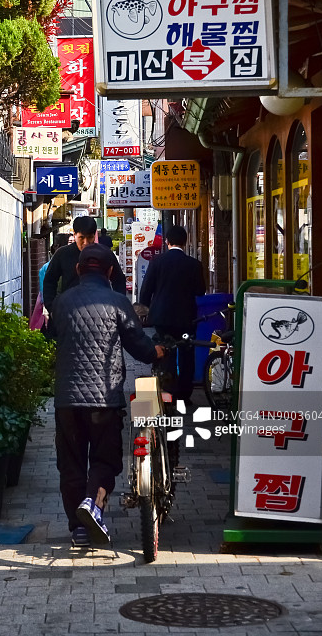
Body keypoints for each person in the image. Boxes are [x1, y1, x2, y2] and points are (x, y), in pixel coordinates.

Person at [51, 243, 164, 547]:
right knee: (105, 460)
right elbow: (138, 345)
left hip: (66, 400)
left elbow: (52, 335)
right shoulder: (117, 302)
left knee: (71, 463)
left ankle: (78, 528)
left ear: (77, 269)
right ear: (111, 272)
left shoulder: (62, 302)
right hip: (104, 397)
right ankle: (92, 503)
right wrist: (156, 351)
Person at [139, 225, 206, 405]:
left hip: (161, 317)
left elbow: (146, 291)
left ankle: (169, 392)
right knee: (186, 353)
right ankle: (184, 395)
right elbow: (200, 291)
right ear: (185, 242)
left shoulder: (157, 262)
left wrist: (143, 311)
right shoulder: (194, 264)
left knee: (165, 352)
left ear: (167, 241)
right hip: (186, 318)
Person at [43, 215, 125, 314]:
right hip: (69, 310)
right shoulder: (63, 254)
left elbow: (119, 280)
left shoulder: (105, 254)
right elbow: (49, 281)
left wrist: (119, 306)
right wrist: (52, 308)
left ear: (94, 235)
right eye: (81, 237)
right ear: (74, 235)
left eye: (90, 237)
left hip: (101, 310)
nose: (86, 242)